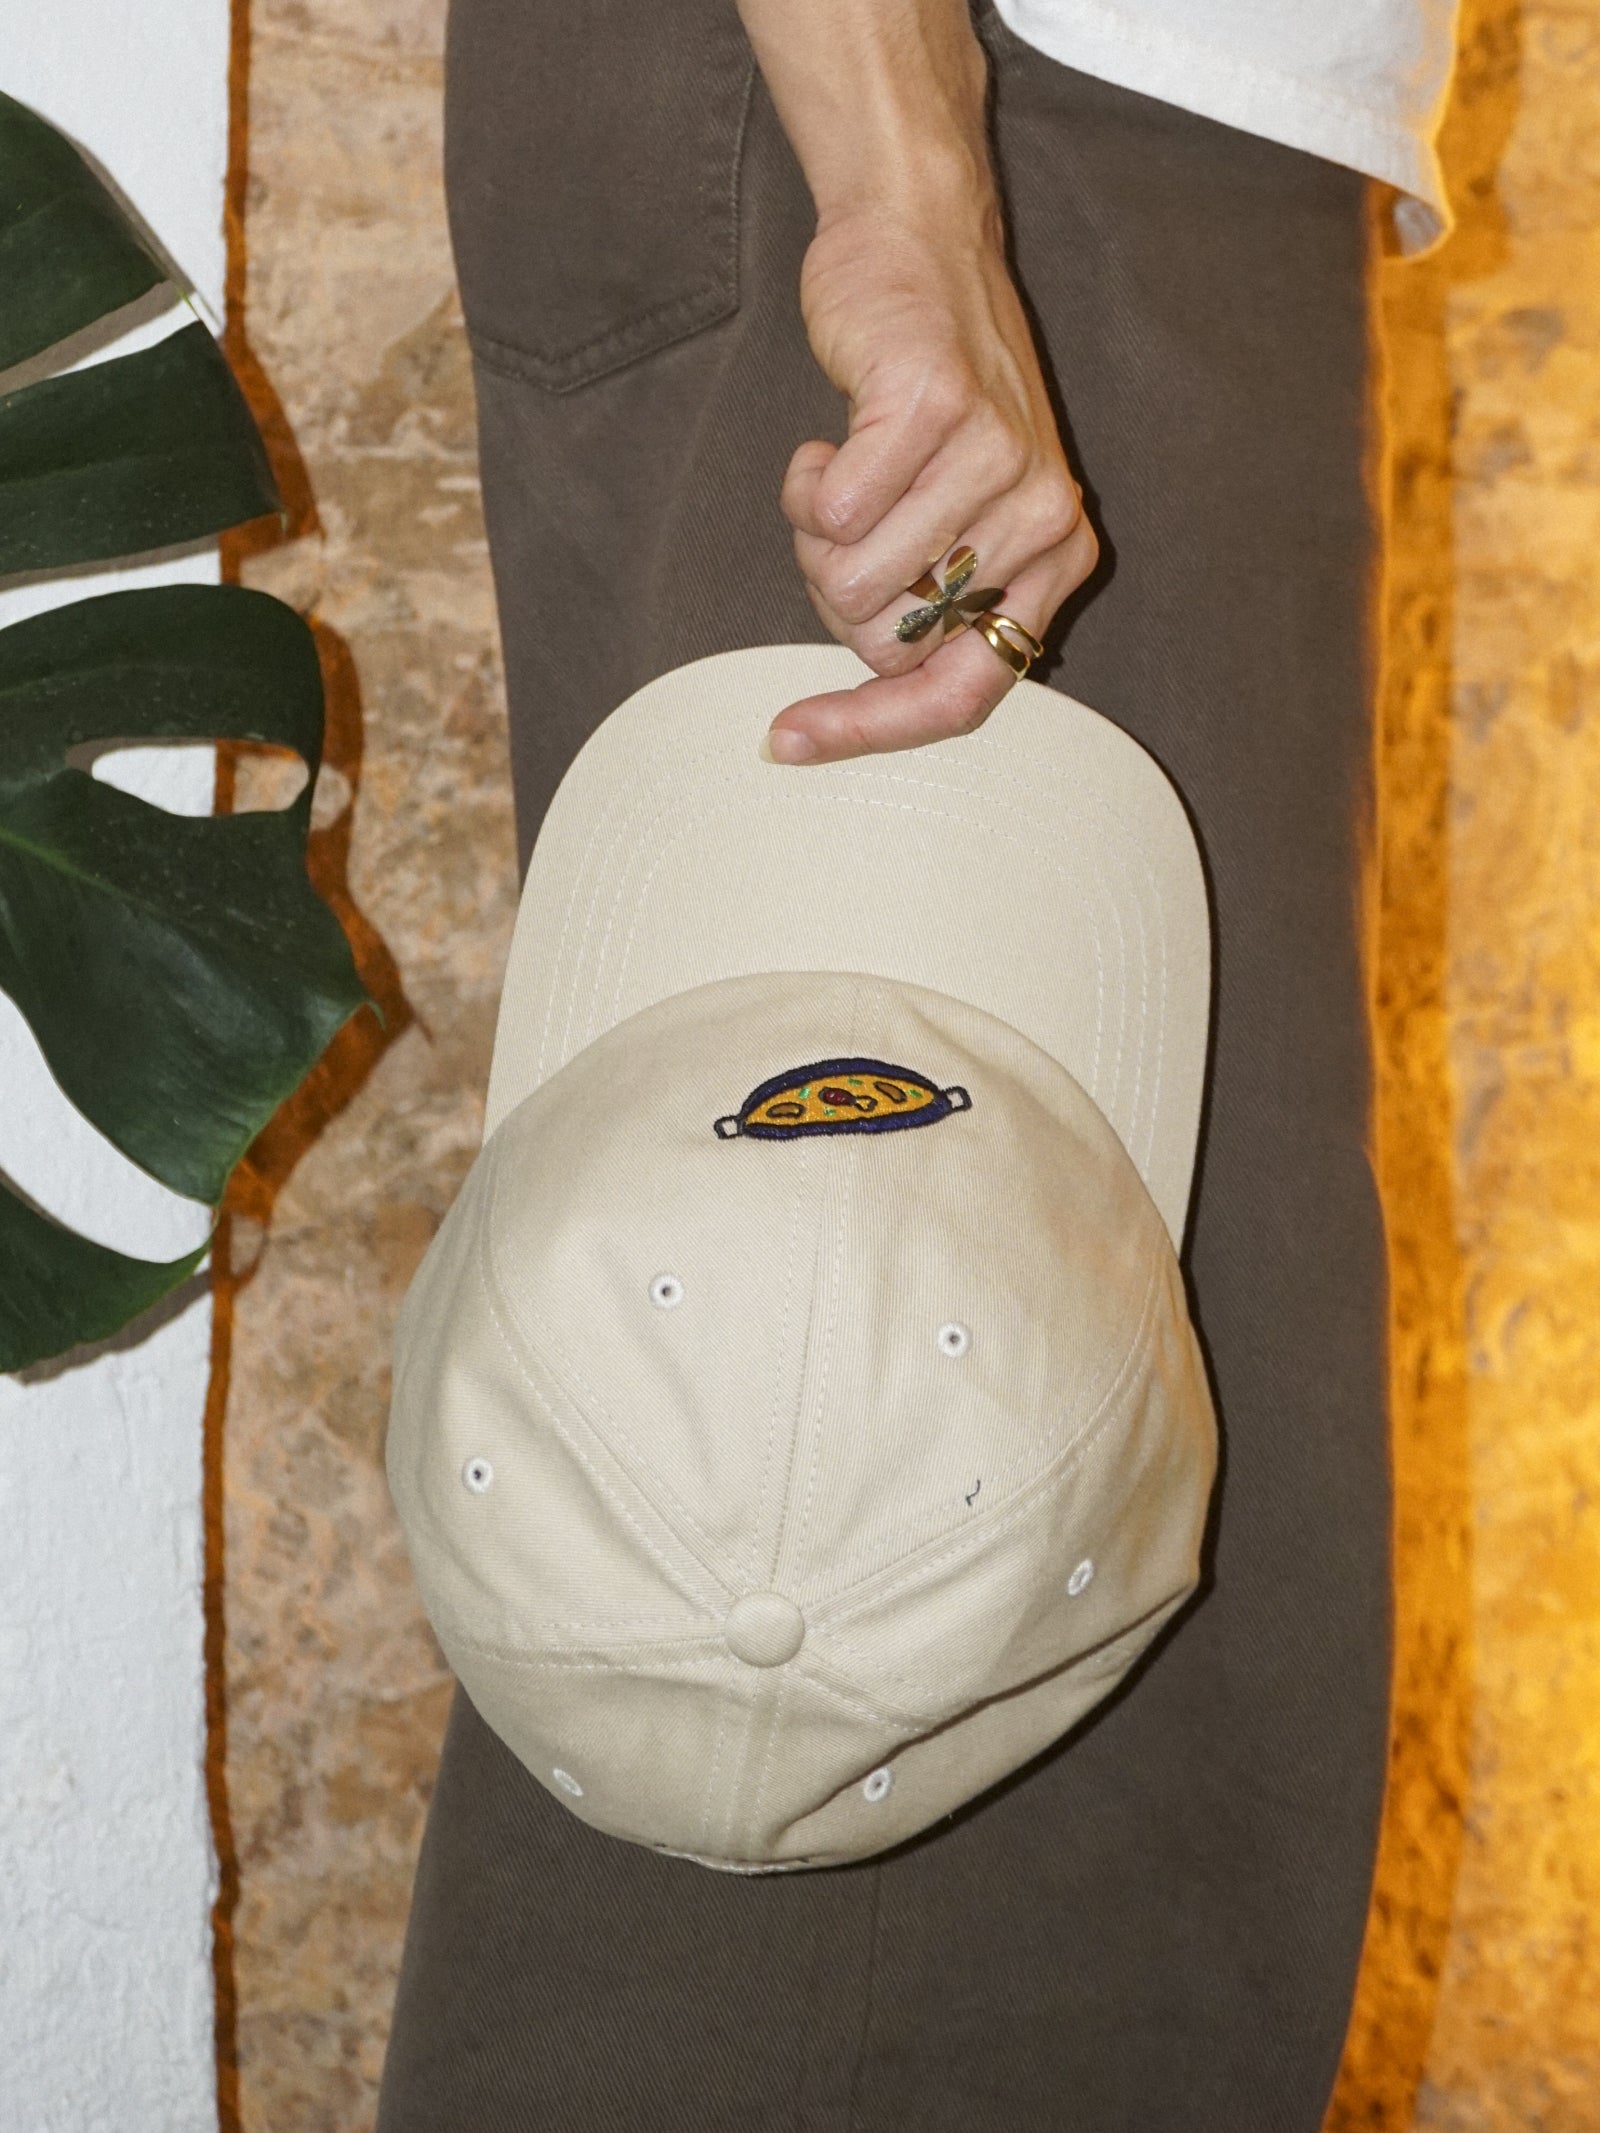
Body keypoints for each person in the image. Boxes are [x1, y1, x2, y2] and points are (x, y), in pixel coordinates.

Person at [375, 2, 1459, 2125]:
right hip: (993, 108)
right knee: (898, 1646)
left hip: (1039, 124)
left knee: (960, 1649)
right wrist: (903, 185)